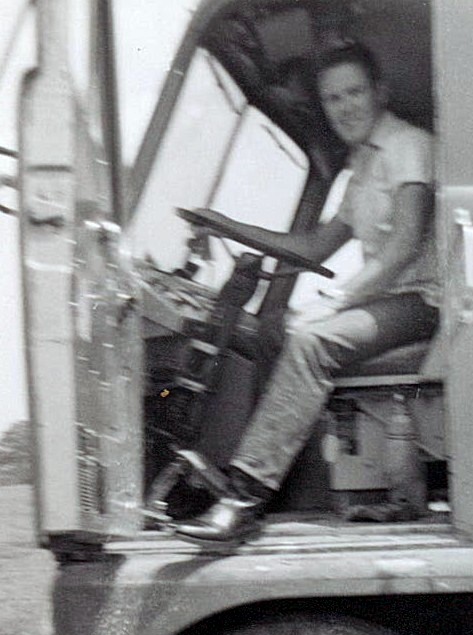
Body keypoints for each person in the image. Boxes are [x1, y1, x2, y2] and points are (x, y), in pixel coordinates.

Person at [176, 41, 439, 543]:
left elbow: (404, 245)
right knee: (274, 330)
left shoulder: (408, 145)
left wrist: (336, 301)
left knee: (311, 342)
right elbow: (315, 245)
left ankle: (243, 498)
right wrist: (228, 225)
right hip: (387, 299)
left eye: (354, 92)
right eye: (333, 98)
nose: (344, 107)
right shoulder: (363, 166)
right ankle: (288, 488)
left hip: (422, 301)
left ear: (379, 93)